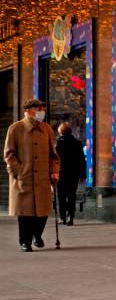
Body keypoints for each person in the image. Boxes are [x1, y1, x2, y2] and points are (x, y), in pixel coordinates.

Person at [4, 99, 60, 252]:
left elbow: (53, 155)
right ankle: (25, 242)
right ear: (28, 111)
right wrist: (18, 171)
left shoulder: (47, 129)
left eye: (42, 109)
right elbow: (9, 154)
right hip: (23, 177)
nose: (42, 112)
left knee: (42, 211)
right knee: (25, 213)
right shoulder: (15, 128)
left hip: (42, 177)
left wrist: (54, 170)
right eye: (38, 109)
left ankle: (37, 234)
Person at [55, 122, 86, 225]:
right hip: (74, 174)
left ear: (60, 131)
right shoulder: (77, 143)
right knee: (71, 195)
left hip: (60, 173)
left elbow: (53, 160)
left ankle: (62, 217)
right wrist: (82, 174)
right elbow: (82, 159)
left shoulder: (57, 143)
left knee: (61, 196)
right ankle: (70, 217)